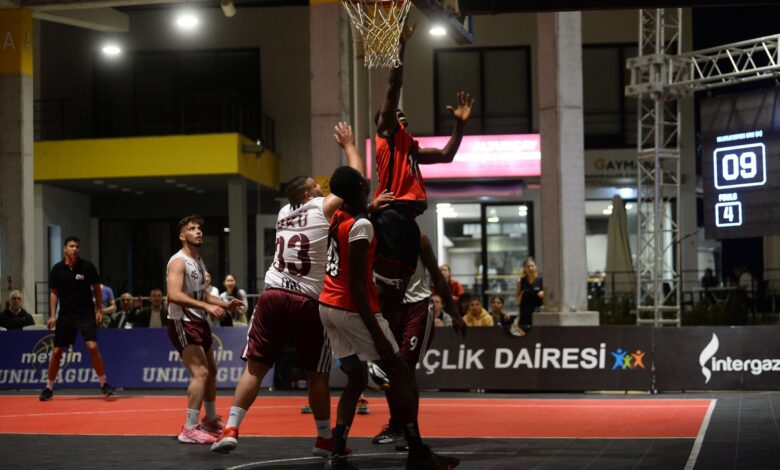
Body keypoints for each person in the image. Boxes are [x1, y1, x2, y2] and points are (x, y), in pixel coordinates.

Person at [211, 122, 381, 457]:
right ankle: (322, 439)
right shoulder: (320, 207)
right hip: (307, 301)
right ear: (307, 196)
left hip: (272, 295)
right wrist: (348, 146)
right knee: (316, 376)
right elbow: (355, 181)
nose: (322, 191)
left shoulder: (283, 211)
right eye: (316, 189)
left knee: (255, 369)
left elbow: (324, 191)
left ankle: (230, 427)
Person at [318, 165, 458, 470]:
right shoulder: (363, 226)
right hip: (351, 306)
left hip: (327, 305)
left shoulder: (340, 216)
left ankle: (337, 450)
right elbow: (356, 284)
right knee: (401, 374)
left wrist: (368, 207)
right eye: (363, 181)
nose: (368, 182)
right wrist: (378, 334)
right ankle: (417, 450)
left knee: (355, 379)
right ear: (357, 189)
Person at [371, 21, 474, 326]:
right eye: (395, 114)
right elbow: (393, 88)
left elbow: (446, 155)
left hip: (407, 219)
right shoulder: (387, 131)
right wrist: (402, 45)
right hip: (391, 213)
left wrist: (460, 125)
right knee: (389, 282)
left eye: (403, 115)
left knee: (401, 283)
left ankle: (383, 337)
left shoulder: (410, 148)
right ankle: (372, 337)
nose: (401, 116)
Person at [371, 234, 466, 447]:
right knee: (391, 369)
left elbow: (437, 277)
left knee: (404, 369)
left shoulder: (419, 238)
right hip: (390, 308)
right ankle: (398, 426)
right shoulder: (374, 233)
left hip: (418, 306)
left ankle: (410, 432)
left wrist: (454, 313)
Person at [166, 215, 245, 445]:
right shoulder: (178, 262)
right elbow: (174, 295)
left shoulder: (198, 261)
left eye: (199, 228)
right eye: (192, 229)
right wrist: (207, 306)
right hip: (182, 321)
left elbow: (201, 294)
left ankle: (210, 419)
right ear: (182, 236)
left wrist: (224, 304)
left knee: (211, 370)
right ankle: (189, 428)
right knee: (200, 373)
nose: (198, 231)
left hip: (198, 321)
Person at [39, 236, 116, 401]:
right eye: (72, 246)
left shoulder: (87, 267)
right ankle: (49, 387)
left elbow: (96, 288)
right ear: (65, 248)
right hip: (66, 315)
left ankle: (104, 384)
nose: (75, 249)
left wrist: (99, 310)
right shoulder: (57, 269)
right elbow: (54, 292)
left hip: (85, 313)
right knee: (57, 351)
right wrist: (52, 315)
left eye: (77, 247)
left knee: (92, 347)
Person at [514, 257, 543, 336]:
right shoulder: (521, 281)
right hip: (525, 312)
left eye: (532, 266)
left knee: (538, 333)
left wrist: (543, 293)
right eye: (528, 266)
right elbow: (517, 299)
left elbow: (548, 297)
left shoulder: (541, 280)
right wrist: (520, 295)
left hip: (538, 311)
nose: (530, 268)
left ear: (536, 266)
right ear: (524, 268)